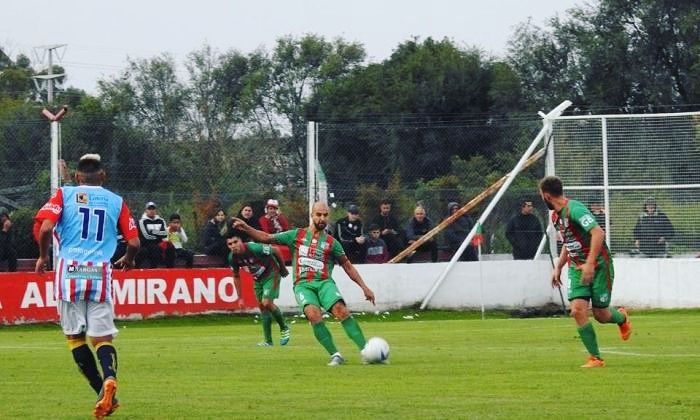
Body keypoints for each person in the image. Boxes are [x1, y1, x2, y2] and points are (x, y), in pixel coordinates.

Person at [33, 153, 140, 418]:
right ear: (102, 175)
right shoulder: (116, 201)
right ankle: (110, 377)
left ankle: (100, 391)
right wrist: (127, 258)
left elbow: (46, 228)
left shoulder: (64, 194)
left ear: (78, 176)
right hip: (100, 274)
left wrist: (43, 256)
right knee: (101, 338)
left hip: (69, 272)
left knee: (74, 338)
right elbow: (135, 242)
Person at [233, 201, 376, 366]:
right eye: (319, 214)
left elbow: (348, 266)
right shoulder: (296, 235)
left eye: (325, 215)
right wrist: (246, 227)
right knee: (313, 314)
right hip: (303, 285)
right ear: (312, 215)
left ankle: (367, 351)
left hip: (324, 283)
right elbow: (266, 237)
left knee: (341, 311)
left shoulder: (332, 242)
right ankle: (335, 355)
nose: (322, 218)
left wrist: (364, 287)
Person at [539, 175, 631, 368]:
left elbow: (598, 232)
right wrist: (558, 266)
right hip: (575, 265)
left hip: (598, 265)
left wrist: (589, 264)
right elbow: (568, 241)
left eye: (541, 196)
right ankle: (596, 358)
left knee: (601, 315)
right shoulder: (555, 216)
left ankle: (622, 317)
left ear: (546, 195)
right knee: (577, 310)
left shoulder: (576, 209)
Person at [227, 235, 291, 346]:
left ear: (241, 241)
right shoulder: (232, 258)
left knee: (267, 302)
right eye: (230, 244)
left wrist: (283, 268)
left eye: (235, 242)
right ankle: (268, 341)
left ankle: (284, 327)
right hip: (258, 279)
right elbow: (236, 276)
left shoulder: (254, 248)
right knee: (262, 307)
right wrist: (240, 298)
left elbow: (275, 250)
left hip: (272, 274)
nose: (233, 246)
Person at [135, 202, 168, 268]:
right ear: (146, 210)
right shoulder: (142, 221)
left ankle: (170, 270)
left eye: (153, 209)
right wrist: (159, 234)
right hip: (145, 244)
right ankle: (137, 269)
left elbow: (165, 234)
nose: (151, 211)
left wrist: (152, 231)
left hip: (158, 244)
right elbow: (146, 236)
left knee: (169, 247)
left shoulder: (161, 220)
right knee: (148, 250)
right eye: (149, 209)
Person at [0, 207, 17, 271]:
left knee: (12, 252)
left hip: (4, 251)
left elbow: (10, 242)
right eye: (1, 216)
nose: (4, 218)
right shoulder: (5, 227)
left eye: (5, 216)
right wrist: (4, 230)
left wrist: (7, 230)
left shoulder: (9, 226)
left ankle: (12, 273)